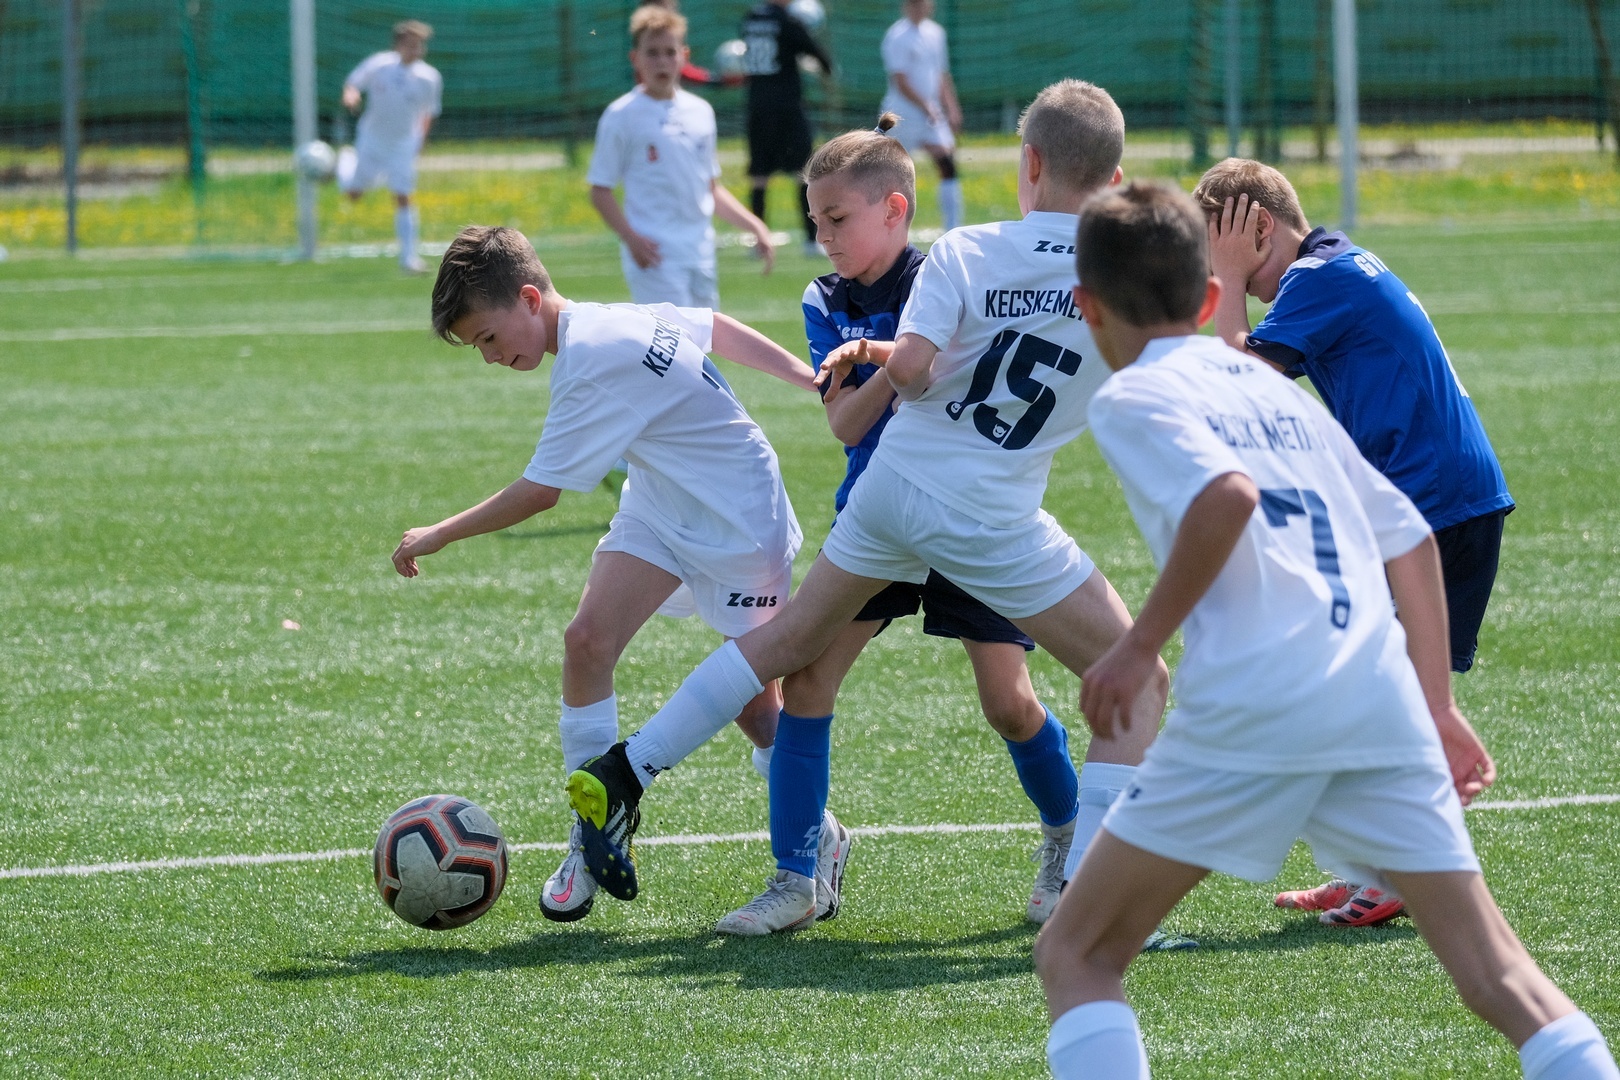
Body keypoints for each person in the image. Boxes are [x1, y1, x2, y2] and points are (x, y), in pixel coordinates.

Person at [1036, 179, 1618, 1080]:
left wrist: (1137, 645)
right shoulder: (1277, 394)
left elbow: (1225, 498)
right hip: (1376, 691)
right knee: (1500, 975)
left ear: (1087, 306)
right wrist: (1436, 707)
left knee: (1076, 953)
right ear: (1209, 297)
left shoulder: (1135, 396)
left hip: (1260, 699)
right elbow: (1409, 538)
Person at [562, 80, 1170, 937]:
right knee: (1138, 681)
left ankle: (630, 768)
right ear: (1114, 177)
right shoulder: (1124, 274)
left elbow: (914, 372)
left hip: (894, 491)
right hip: (988, 515)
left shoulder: (963, 250)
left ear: (1028, 163)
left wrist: (888, 354)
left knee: (790, 648)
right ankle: (1085, 899)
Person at [388, 225, 854, 925]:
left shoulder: (590, 358)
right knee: (587, 641)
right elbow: (712, 326)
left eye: (488, 337)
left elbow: (540, 493)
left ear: (529, 298)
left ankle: (819, 835)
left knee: (758, 711)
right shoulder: (604, 319)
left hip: (737, 518)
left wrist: (438, 533)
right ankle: (592, 833)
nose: (490, 356)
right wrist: (802, 374)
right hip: (661, 502)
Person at [1197, 158, 1516, 928]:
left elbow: (1242, 384)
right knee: (1358, 682)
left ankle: (1404, 868)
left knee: (1372, 689)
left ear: (1259, 227)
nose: (1220, 269)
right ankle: (1374, 866)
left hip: (1437, 505)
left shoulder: (1318, 278)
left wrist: (1230, 279)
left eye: (1223, 247)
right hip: (1433, 501)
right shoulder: (1334, 266)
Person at [795, 113, 1081, 925]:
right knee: (806, 680)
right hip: (877, 514)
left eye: (836, 219)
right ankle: (799, 870)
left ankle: (1067, 838)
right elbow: (846, 424)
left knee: (1008, 703)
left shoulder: (951, 270)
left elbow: (956, 377)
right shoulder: (823, 298)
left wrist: (888, 361)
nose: (823, 238)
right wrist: (904, 365)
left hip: (965, 508)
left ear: (895, 209)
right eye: (815, 222)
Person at [588, 6, 775, 309]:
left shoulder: (700, 111)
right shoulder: (620, 115)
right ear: (635, 58)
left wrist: (756, 226)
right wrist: (631, 238)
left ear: (684, 56)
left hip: (700, 251)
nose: (662, 61)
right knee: (673, 338)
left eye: (669, 52)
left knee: (703, 336)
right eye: (652, 53)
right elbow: (600, 190)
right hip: (654, 254)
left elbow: (710, 189)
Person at [338, 20, 442, 274]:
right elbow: (353, 84)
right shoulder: (379, 64)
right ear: (398, 45)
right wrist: (351, 95)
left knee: (403, 195)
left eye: (420, 44)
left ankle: (408, 259)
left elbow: (428, 113)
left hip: (403, 144)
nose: (416, 49)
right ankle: (345, 159)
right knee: (354, 194)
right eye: (411, 43)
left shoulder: (429, 77)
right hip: (372, 139)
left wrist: (420, 141)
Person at [740, 0, 834, 256]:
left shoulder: (751, 18)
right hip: (787, 107)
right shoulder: (787, 22)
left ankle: (758, 242)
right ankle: (811, 240)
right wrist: (826, 67)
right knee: (803, 172)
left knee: (759, 176)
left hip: (758, 106)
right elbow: (815, 52)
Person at [880, 0, 963, 232]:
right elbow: (900, 80)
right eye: (913, 3)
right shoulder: (897, 36)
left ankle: (952, 227)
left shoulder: (936, 33)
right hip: (901, 114)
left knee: (947, 163)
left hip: (930, 114)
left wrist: (952, 107)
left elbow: (941, 74)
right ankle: (887, 226)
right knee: (892, 173)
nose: (918, 7)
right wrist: (925, 105)